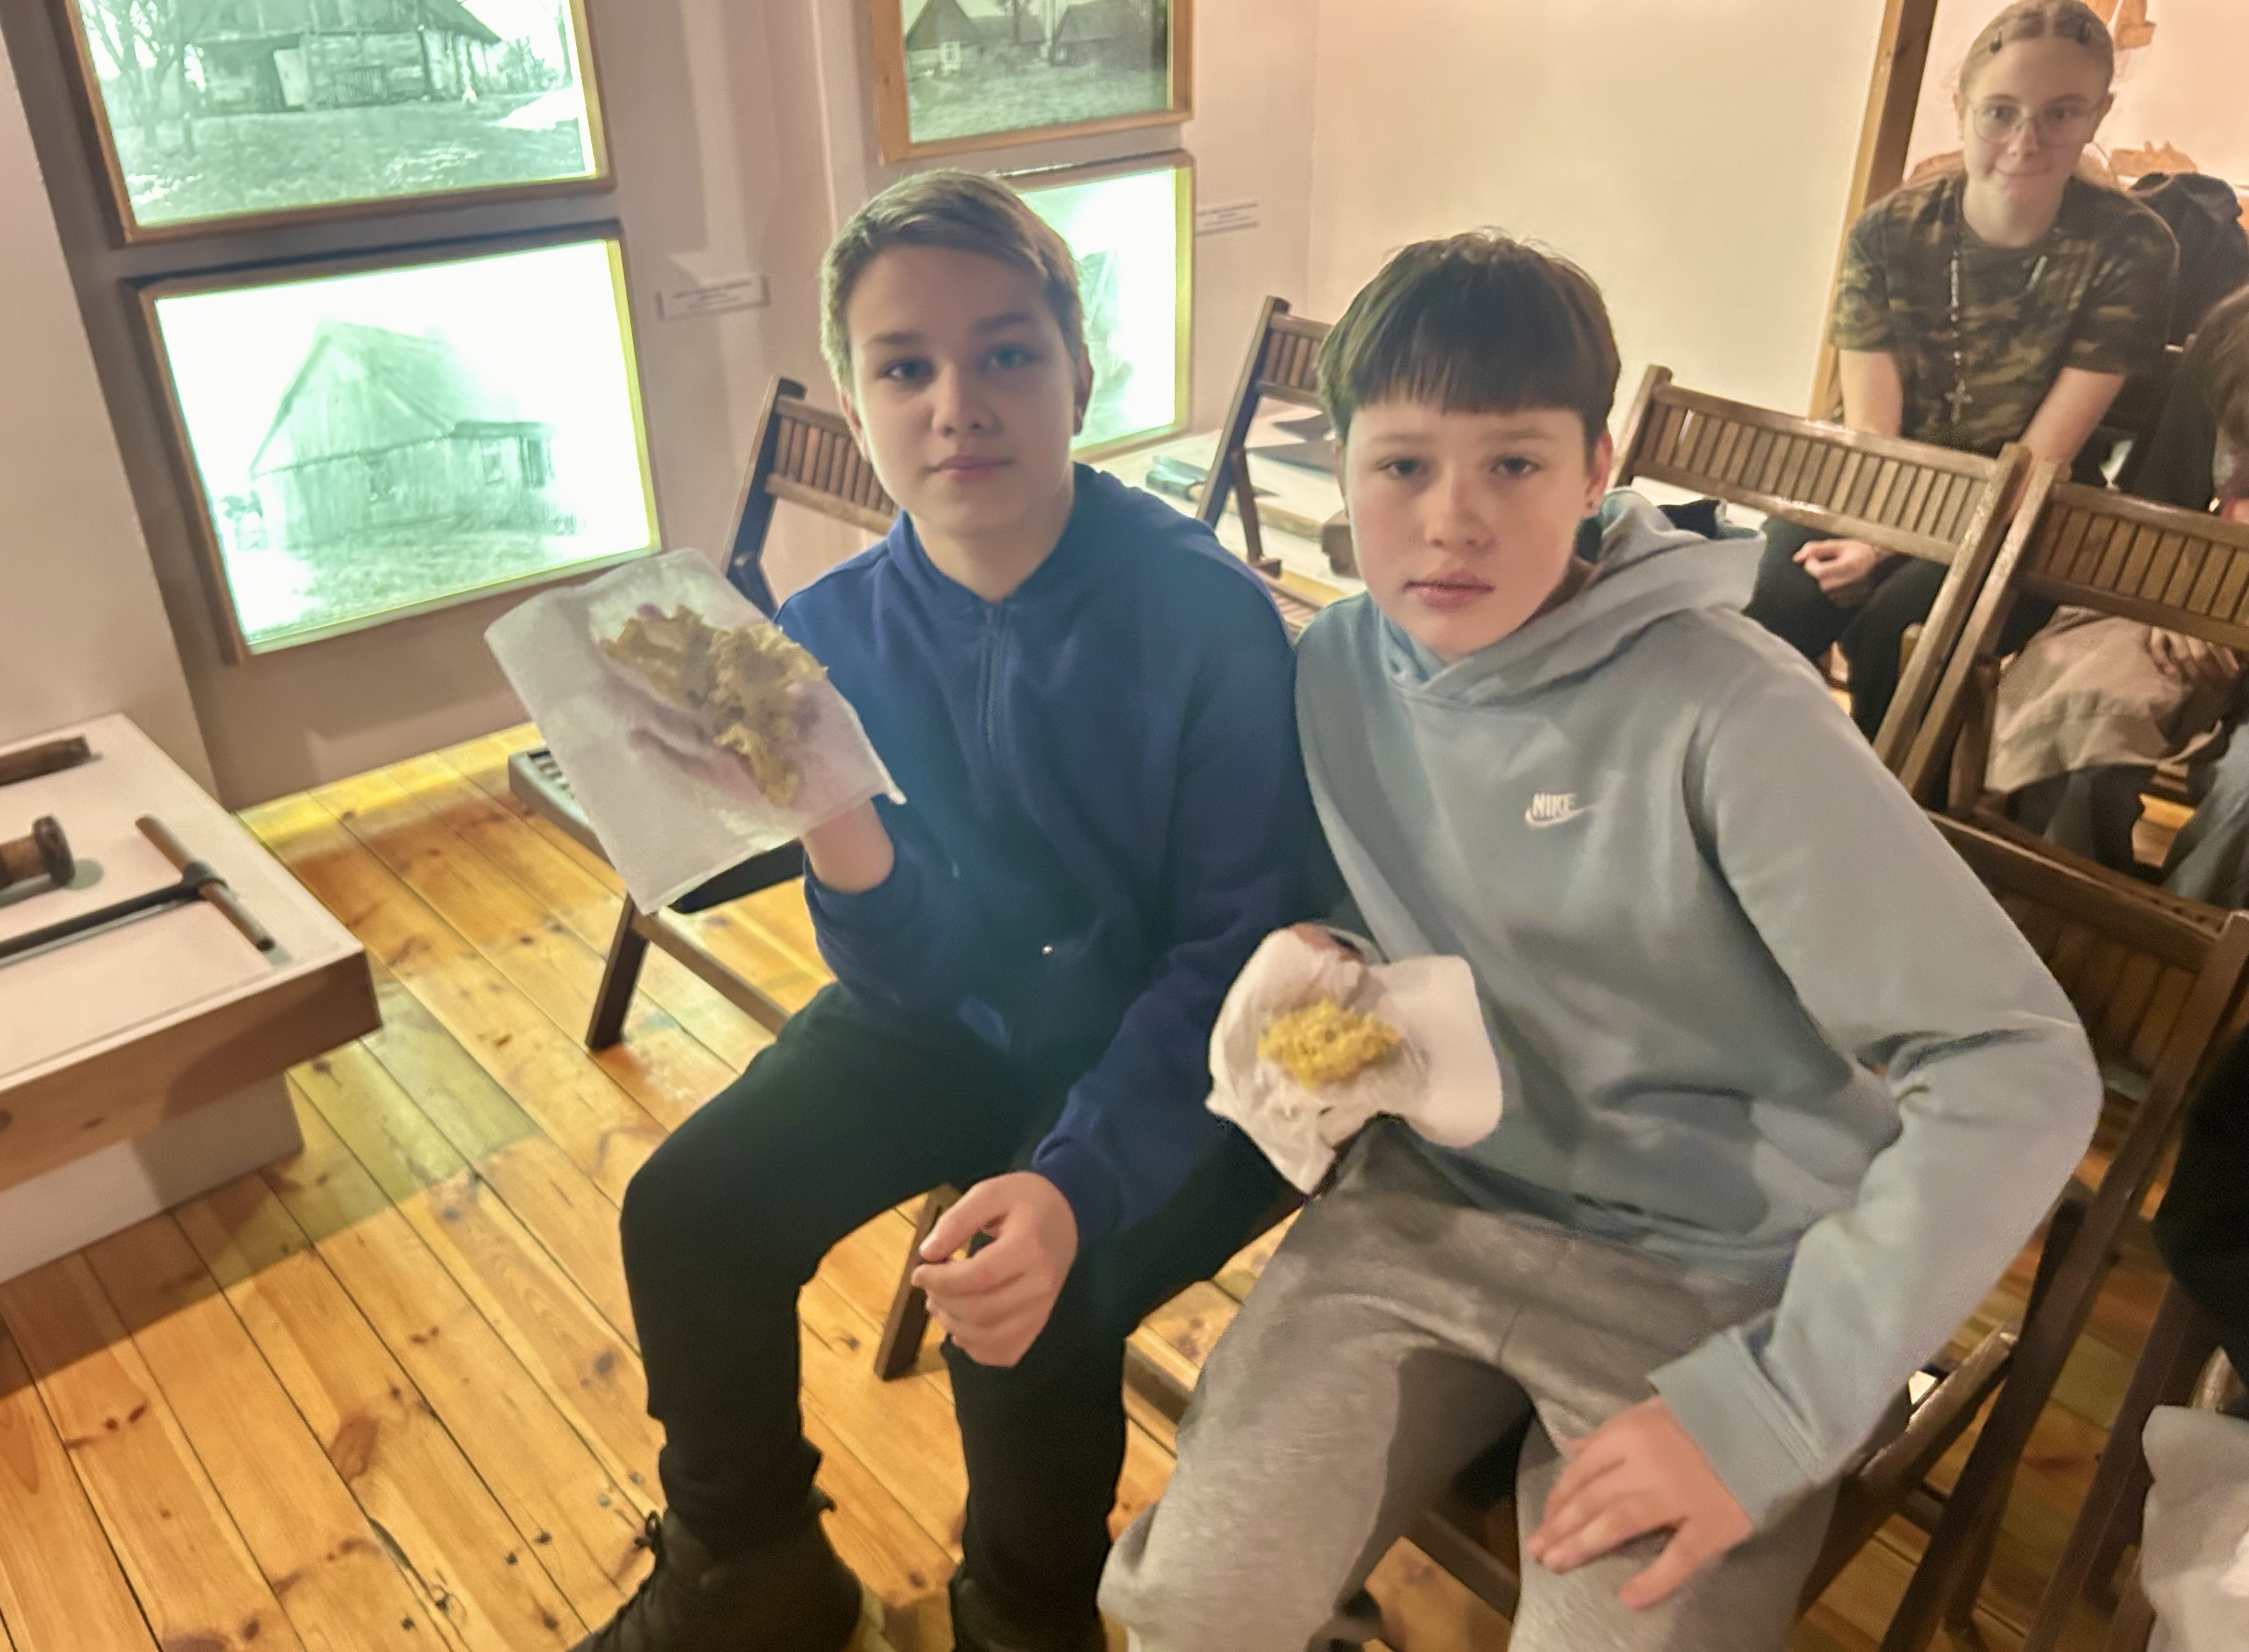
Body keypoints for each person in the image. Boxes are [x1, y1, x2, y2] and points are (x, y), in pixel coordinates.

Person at [1099, 230, 2101, 1651]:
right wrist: (1326, 952)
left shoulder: (1732, 714)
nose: (1452, 521)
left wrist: (1773, 1403)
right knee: (1196, 1602)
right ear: (1340, 460)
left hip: (1723, 1270)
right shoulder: (1333, 667)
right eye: (1403, 464)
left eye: (1513, 463)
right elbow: (1410, 891)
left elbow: (2015, 1062)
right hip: (1433, 1202)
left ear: (1598, 468)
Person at [576, 170, 1313, 1652]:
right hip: (956, 1016)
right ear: (856, 407)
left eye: (1006, 354)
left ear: (1078, 373)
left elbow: (1239, 958)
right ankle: (750, 1567)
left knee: (1018, 1306)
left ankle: (1028, 1622)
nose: (957, 406)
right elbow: (903, 979)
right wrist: (834, 824)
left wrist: (1076, 1182)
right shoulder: (827, 634)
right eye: (905, 368)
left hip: (1187, 1058)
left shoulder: (1207, 617)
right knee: (690, 1211)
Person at [1745, 0, 2176, 743]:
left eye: (2061, 114)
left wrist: (1883, 549)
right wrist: (1874, 531)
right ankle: (1765, 778)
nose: (2025, 142)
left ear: (2098, 116)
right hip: (1878, 477)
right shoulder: (1888, 232)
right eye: (2001, 113)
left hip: (2025, 506)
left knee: (1899, 631)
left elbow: (2038, 462)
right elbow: (1874, 433)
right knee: (1775, 599)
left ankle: (1894, 802)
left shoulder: (2133, 248)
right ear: (1962, 107)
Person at [1997, 286, 2249, 885]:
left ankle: (2184, 937)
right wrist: (2176, 605)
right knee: (2084, 725)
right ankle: (2056, 907)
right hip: (2184, 600)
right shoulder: (2233, 333)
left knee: (2245, 794)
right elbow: (2155, 501)